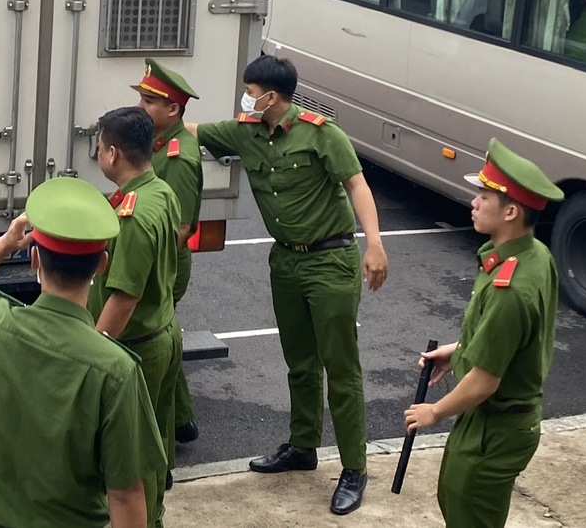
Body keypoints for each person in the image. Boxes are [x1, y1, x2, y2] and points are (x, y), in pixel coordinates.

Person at [194, 55, 387, 516]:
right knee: (299, 362)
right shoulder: (246, 131)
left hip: (330, 260)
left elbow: (357, 186)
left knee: (341, 369)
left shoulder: (322, 133)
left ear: (272, 97)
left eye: (250, 90)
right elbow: (191, 131)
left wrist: (375, 245)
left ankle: (354, 468)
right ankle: (302, 447)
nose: (245, 97)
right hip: (286, 261)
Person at [0, 177, 156, 528]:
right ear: (102, 264)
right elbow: (125, 494)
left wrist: (5, 244)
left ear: (34, 258)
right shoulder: (115, 368)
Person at [404, 139, 563, 528]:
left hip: (497, 425)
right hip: (495, 421)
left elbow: (487, 379)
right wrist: (458, 352)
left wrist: (435, 411)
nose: (474, 202)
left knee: (467, 512)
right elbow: (509, 341)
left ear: (510, 211)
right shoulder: (532, 255)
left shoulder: (512, 287)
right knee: (457, 500)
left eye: (483, 195)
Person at [90, 105, 183, 528]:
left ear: (113, 154)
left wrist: (89, 353)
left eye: (98, 147)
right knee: (155, 444)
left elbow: (124, 298)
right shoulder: (160, 192)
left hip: (136, 350)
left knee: (133, 456)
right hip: (161, 334)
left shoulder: (132, 215)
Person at [134, 59, 204, 445]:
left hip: (164, 265)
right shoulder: (160, 144)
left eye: (149, 101)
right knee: (166, 334)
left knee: (153, 342)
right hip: (158, 262)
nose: (141, 107)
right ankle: (182, 422)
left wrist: (140, 264)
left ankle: (161, 441)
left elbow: (177, 230)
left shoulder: (178, 157)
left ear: (173, 110)